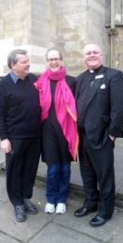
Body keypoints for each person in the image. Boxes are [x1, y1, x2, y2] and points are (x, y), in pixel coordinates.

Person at [74, 43, 123, 227]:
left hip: (101, 136)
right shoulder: (80, 78)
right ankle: (90, 202)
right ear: (84, 58)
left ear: (101, 55)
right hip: (82, 136)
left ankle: (106, 210)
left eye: (95, 52)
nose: (91, 55)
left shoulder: (113, 75)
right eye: (88, 53)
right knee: (87, 172)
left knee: (104, 175)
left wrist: (112, 134)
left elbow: (119, 108)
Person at [0, 49, 41, 222]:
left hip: (35, 136)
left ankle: (26, 197)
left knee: (30, 169)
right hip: (14, 137)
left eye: (28, 61)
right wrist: (3, 138)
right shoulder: (3, 85)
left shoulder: (33, 79)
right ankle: (17, 203)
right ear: (13, 65)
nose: (28, 64)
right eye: (24, 62)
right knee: (14, 171)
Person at [35, 48, 78, 214]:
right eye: (50, 59)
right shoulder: (40, 82)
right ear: (47, 61)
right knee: (53, 169)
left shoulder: (71, 81)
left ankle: (62, 199)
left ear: (62, 60)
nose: (54, 62)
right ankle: (51, 199)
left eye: (56, 58)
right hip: (47, 131)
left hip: (66, 131)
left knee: (65, 168)